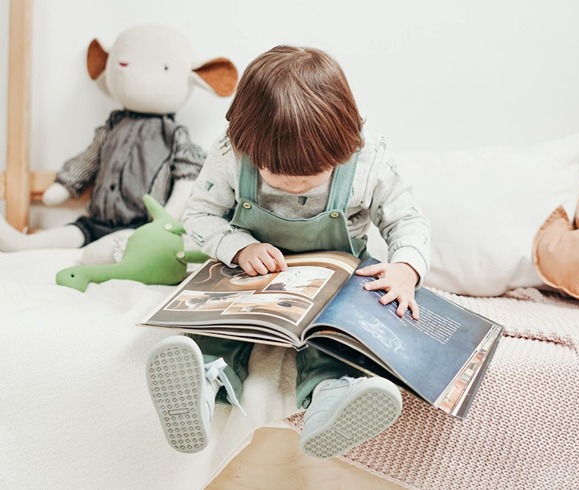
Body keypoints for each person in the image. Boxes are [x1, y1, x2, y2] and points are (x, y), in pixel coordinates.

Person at [146, 45, 431, 458]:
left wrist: (406, 267)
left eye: (311, 176)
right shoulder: (230, 154)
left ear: (346, 144)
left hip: (337, 280)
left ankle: (333, 399)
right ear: (245, 144)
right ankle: (202, 386)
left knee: (337, 340)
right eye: (276, 175)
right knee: (222, 329)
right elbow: (200, 214)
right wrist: (239, 247)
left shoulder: (369, 160)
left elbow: (408, 220)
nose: (294, 186)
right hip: (252, 276)